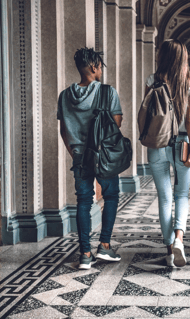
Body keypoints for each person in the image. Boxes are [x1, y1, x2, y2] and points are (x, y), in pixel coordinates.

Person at [58, 47, 123, 270]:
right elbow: (116, 125)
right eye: (100, 67)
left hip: (79, 156)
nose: (101, 72)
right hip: (104, 155)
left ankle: (85, 254)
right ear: (94, 67)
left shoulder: (65, 95)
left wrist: (75, 153)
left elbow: (64, 130)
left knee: (83, 202)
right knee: (112, 194)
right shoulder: (107, 92)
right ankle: (104, 245)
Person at [145, 39, 190, 267]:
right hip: (182, 142)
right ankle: (179, 239)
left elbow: (148, 112)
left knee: (165, 198)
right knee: (182, 195)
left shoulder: (152, 81)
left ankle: (169, 250)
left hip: (157, 143)